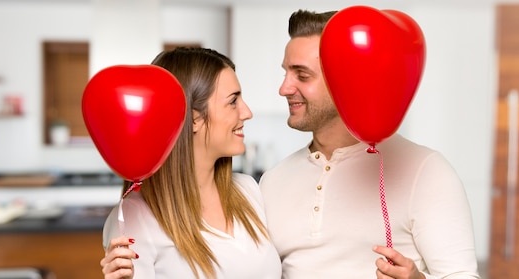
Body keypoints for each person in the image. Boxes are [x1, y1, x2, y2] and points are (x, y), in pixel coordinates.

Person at [259, 9, 481, 279]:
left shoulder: (426, 171)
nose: (284, 88)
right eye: (286, 73)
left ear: (346, 79)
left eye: (302, 76)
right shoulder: (272, 180)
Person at [99, 47, 281, 279]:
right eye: (233, 101)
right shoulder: (137, 219)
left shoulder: (248, 191)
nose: (247, 112)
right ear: (193, 117)